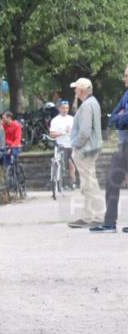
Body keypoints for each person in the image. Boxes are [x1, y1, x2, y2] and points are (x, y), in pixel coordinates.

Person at [91, 66, 128, 233]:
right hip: (123, 146)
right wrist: (120, 116)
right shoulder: (126, 95)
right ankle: (110, 223)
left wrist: (121, 116)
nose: (123, 78)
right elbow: (112, 119)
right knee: (112, 181)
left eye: (126, 75)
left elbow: (122, 118)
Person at [65, 78, 105, 229]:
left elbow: (85, 131)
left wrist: (76, 146)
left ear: (81, 90)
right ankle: (89, 216)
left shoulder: (87, 105)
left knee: (90, 184)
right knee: (88, 183)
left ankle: (98, 216)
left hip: (85, 149)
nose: (75, 91)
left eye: (76, 88)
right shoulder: (92, 103)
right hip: (90, 148)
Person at [48, 100, 77, 189]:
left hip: (71, 145)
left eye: (67, 108)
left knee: (72, 165)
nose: (65, 110)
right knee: (62, 165)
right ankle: (62, 183)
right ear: (59, 108)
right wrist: (62, 132)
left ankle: (73, 183)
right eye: (63, 108)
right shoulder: (55, 120)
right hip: (61, 145)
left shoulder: (72, 119)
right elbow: (52, 134)